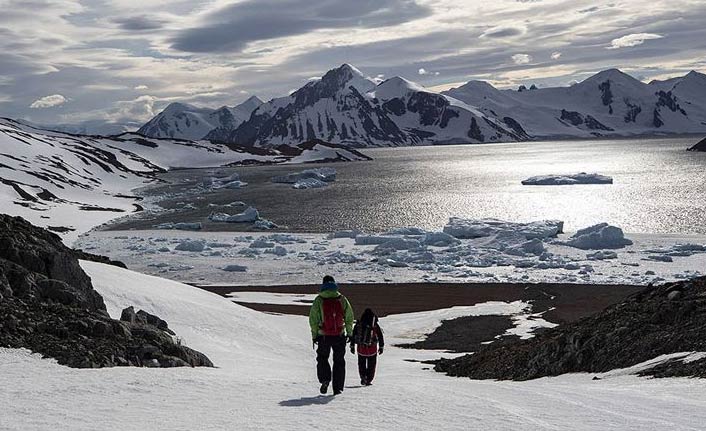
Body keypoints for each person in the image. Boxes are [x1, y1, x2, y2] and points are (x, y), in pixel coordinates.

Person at [309, 275, 354, 395]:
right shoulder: (342, 298)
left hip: (323, 336)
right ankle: (338, 388)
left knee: (322, 358)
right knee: (339, 361)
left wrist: (314, 336)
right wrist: (349, 333)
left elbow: (313, 320)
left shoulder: (319, 300)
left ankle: (325, 380)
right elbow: (349, 318)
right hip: (339, 335)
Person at [350, 308, 384, 386]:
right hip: (372, 349)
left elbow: (353, 335)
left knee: (361, 364)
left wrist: (352, 346)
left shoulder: (359, 324)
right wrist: (381, 346)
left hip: (361, 349)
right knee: (371, 366)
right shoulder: (374, 325)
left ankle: (363, 377)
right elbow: (380, 336)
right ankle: (368, 379)